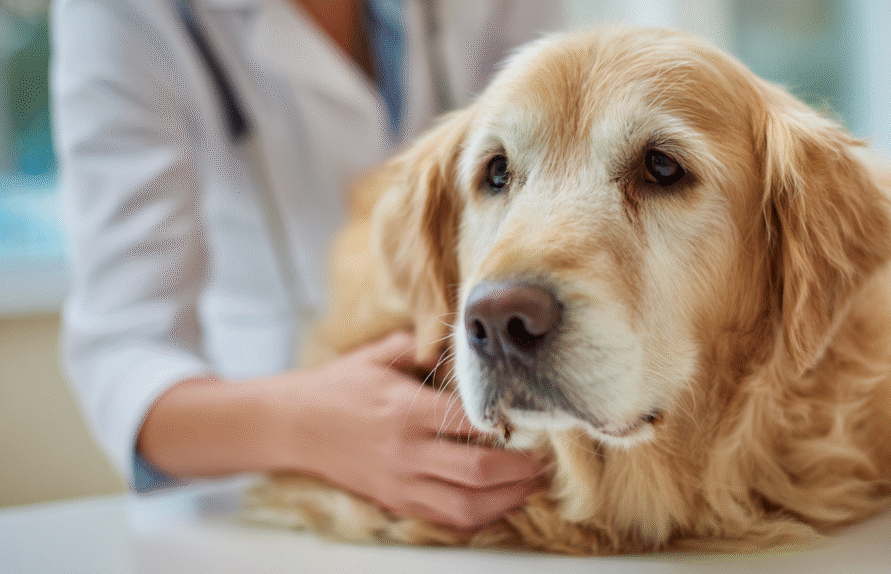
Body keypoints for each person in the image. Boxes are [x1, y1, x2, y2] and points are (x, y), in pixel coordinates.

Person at [52, 0, 560, 530]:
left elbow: (550, 154)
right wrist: (299, 426)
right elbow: (124, 355)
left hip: (499, 429)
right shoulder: (122, 12)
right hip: (262, 475)